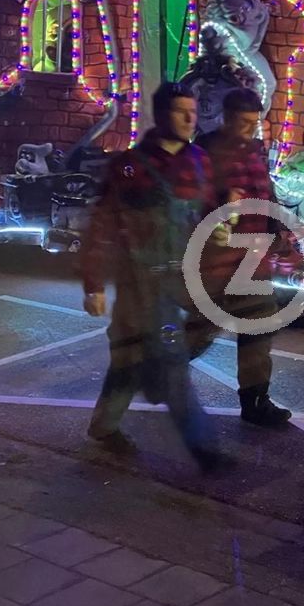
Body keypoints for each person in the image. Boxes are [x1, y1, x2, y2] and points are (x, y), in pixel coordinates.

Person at [80, 81, 228, 471]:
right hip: (141, 284)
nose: (190, 119)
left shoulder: (200, 161)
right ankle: (204, 449)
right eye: (181, 111)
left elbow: (208, 212)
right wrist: (94, 285)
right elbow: (102, 225)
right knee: (171, 360)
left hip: (186, 280)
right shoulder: (129, 166)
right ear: (161, 114)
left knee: (130, 360)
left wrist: (218, 231)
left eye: (193, 111)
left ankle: (105, 425)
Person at [193, 88, 292, 428]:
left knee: (258, 330)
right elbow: (190, 197)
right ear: (226, 118)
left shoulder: (255, 150)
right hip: (216, 259)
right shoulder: (204, 151)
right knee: (198, 332)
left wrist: (277, 228)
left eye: (255, 123)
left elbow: (266, 193)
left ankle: (256, 402)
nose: (251, 130)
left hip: (253, 258)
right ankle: (154, 370)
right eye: (244, 123)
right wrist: (220, 199)